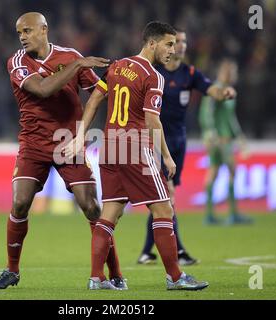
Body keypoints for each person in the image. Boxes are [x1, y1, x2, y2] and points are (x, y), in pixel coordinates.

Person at [65, 21, 208, 290]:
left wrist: (82, 133)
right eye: (168, 44)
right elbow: (153, 121)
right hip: (133, 146)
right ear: (151, 43)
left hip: (109, 146)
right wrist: (166, 156)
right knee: (164, 208)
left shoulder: (117, 66)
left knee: (109, 214)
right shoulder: (154, 77)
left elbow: (94, 99)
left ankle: (96, 278)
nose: (173, 50)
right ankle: (176, 278)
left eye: (175, 44)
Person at [0, 12, 125, 290]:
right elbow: (41, 90)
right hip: (33, 144)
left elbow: (97, 93)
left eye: (27, 31)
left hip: (68, 144)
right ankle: (12, 269)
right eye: (19, 33)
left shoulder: (69, 55)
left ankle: (113, 274)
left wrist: (117, 79)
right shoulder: (17, 62)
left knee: (91, 206)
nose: (23, 37)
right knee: (19, 203)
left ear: (44, 29)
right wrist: (76, 65)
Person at [138, 30, 238, 265]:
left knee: (163, 199)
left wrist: (222, 93)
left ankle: (146, 251)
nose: (181, 46)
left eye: (183, 42)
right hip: (157, 141)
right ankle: (179, 252)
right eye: (176, 42)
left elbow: (209, 88)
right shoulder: (155, 72)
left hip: (179, 142)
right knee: (168, 196)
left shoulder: (189, 73)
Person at [199, 59, 253, 225]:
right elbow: (206, 112)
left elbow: (230, 117)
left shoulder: (227, 90)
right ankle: (232, 213)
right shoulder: (217, 89)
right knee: (230, 169)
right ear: (228, 72)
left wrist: (239, 136)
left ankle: (211, 215)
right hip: (220, 138)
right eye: (234, 71)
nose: (235, 75)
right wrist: (210, 133)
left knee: (215, 171)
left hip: (222, 136)